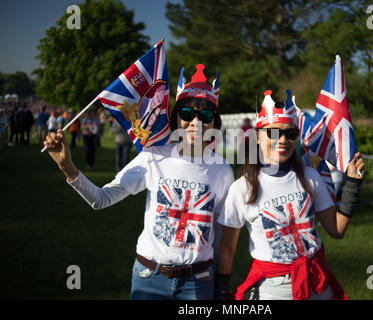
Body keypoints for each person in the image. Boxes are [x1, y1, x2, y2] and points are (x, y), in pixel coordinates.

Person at [43, 64, 234, 300]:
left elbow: (217, 229)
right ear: (176, 116)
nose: (196, 122)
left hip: (198, 283)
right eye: (187, 113)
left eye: (206, 115)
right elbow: (101, 199)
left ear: (215, 122)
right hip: (149, 279)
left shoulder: (222, 169)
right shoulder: (153, 156)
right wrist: (68, 168)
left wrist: (215, 280)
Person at [215, 90, 365, 300]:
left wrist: (352, 185)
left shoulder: (310, 177)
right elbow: (228, 249)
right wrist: (221, 292)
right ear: (258, 137)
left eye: (290, 133)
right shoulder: (241, 188)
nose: (283, 139)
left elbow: (336, 229)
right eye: (274, 133)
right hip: (274, 289)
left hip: (317, 282)